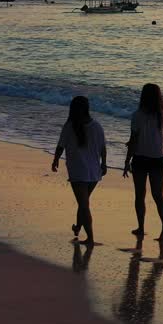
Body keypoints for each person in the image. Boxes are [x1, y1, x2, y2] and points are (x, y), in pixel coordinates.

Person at [51, 96, 107, 245]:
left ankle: (90, 238)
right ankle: (77, 227)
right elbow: (103, 148)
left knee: (83, 204)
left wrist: (55, 160)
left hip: (77, 171)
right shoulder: (97, 126)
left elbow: (60, 145)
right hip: (94, 172)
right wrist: (104, 164)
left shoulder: (70, 125)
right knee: (83, 203)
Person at [123, 83, 163, 240]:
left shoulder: (137, 115)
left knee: (139, 195)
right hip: (159, 158)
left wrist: (126, 161)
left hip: (141, 157)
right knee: (158, 195)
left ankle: (141, 227)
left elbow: (134, 140)